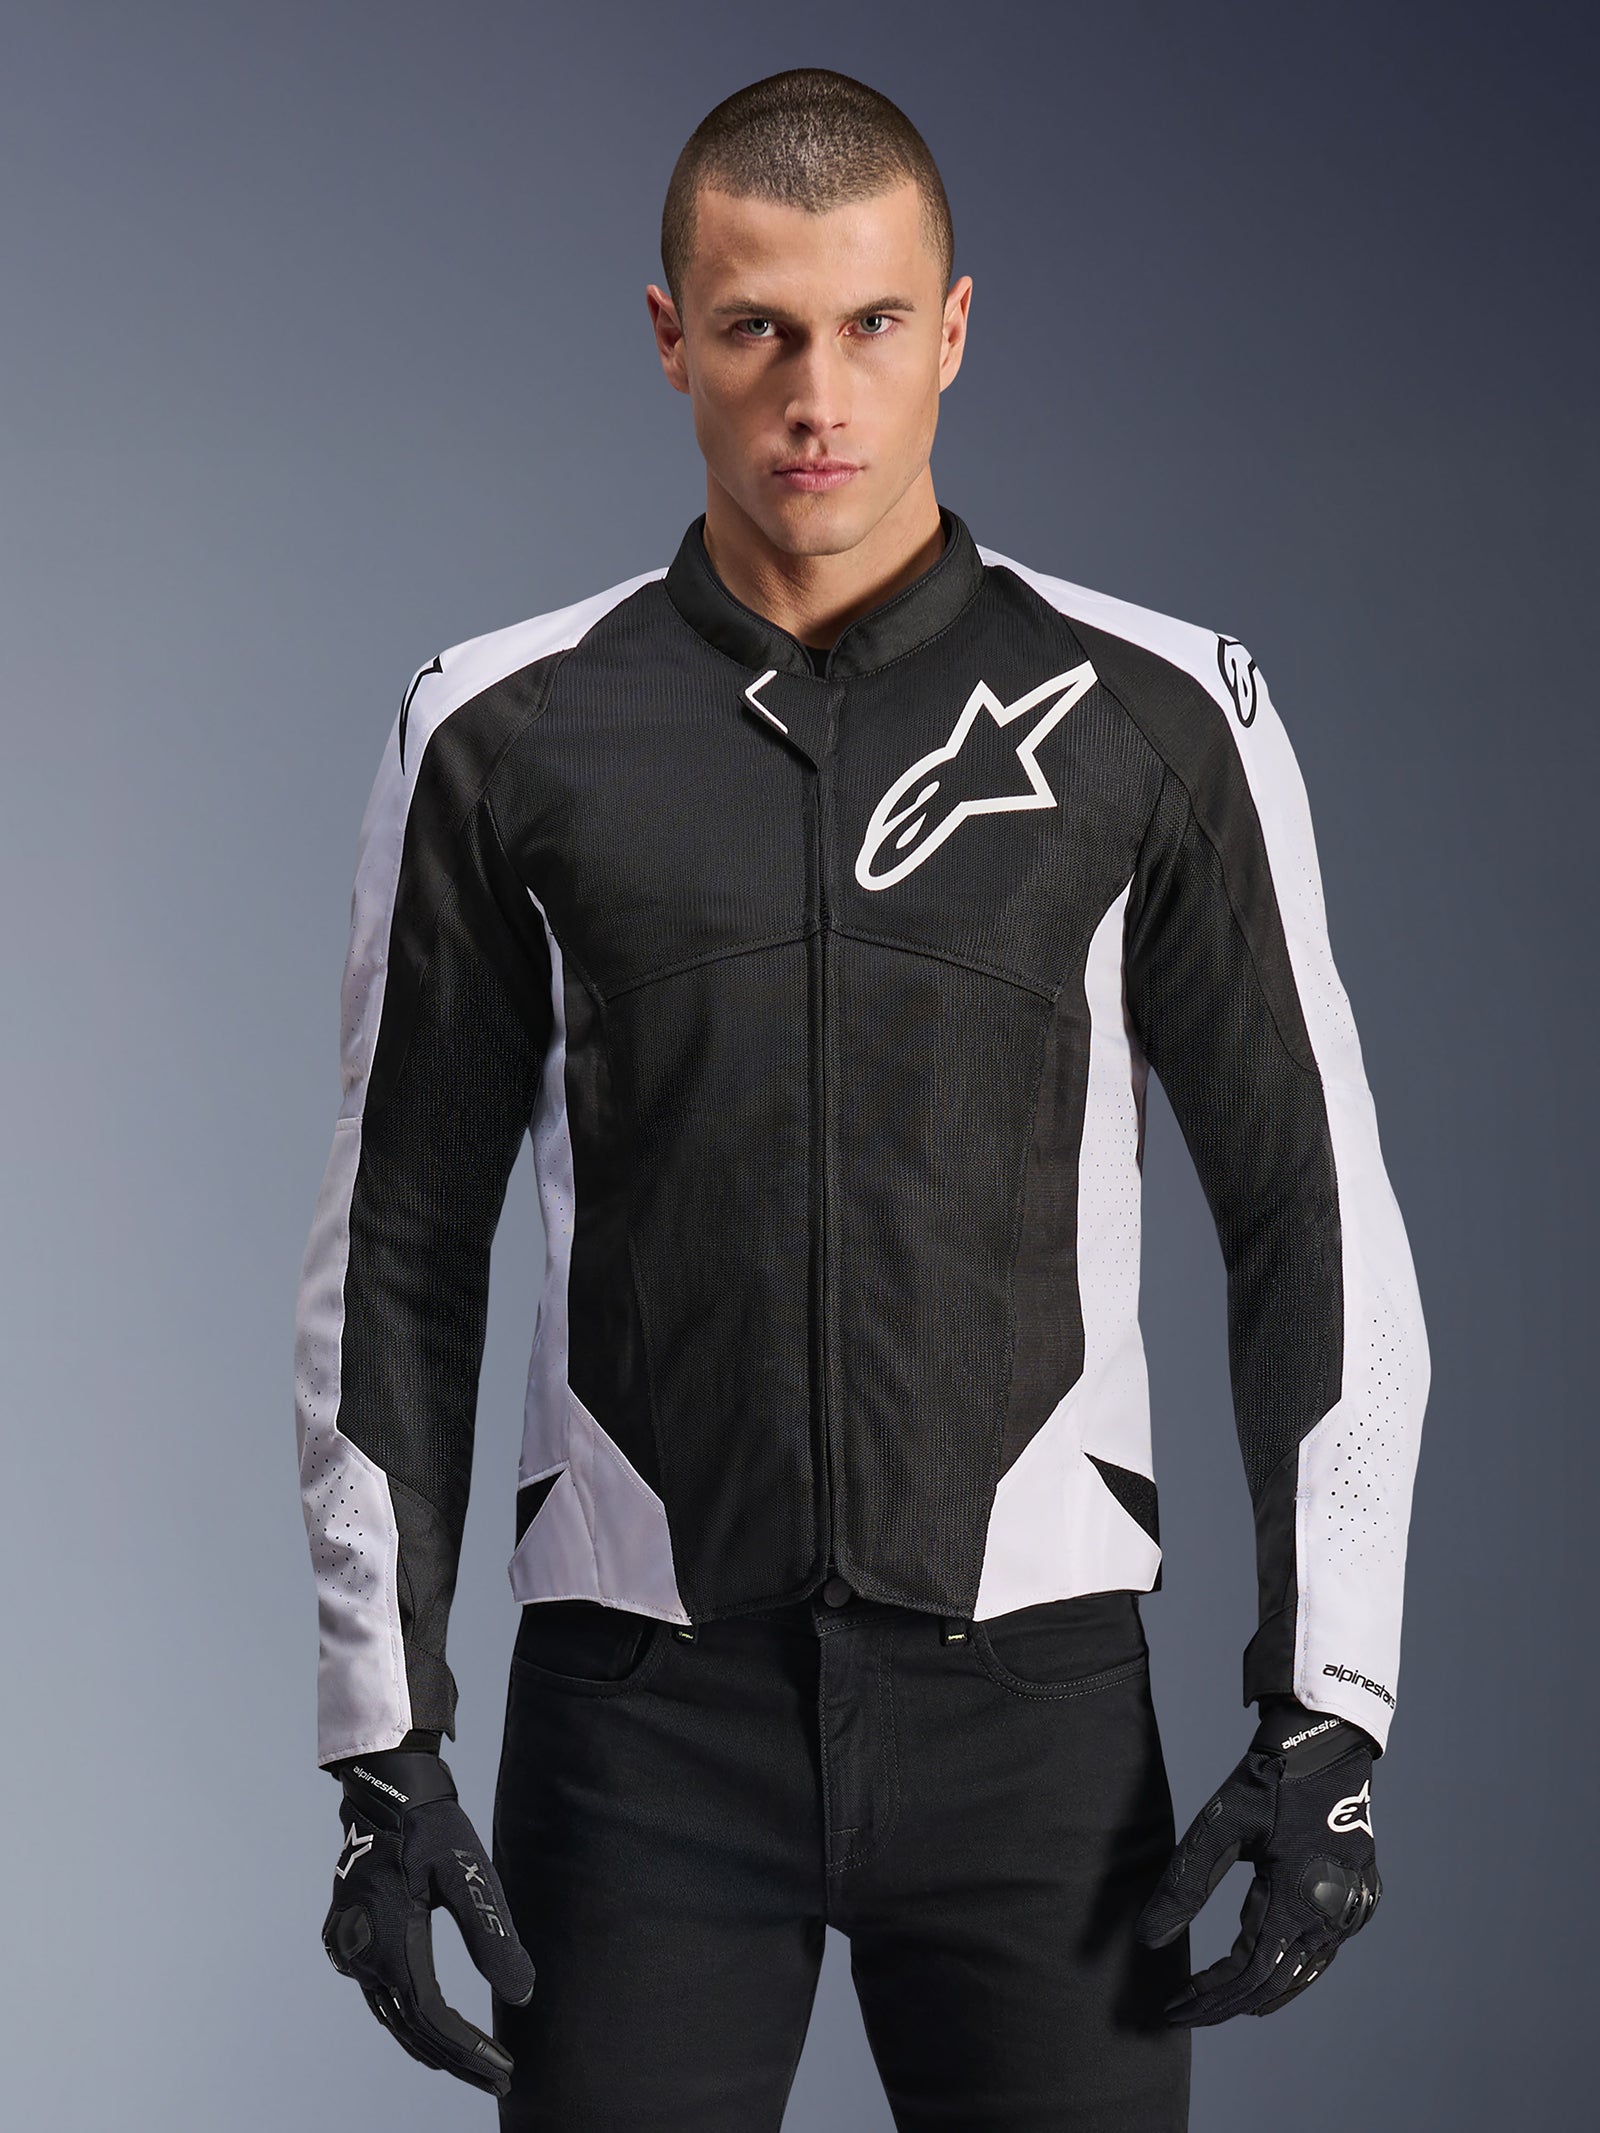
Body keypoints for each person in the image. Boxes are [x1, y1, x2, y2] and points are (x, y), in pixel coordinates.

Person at [294, 66, 1429, 2133]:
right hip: (638, 1722)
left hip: (1034, 1723)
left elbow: (1311, 1207)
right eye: (757, 329)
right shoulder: (499, 729)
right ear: (670, 336)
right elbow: (397, 1244)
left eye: (872, 324)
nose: (816, 395)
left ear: (955, 327)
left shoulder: (1159, 715)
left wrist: (1328, 1704)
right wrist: (383, 1742)